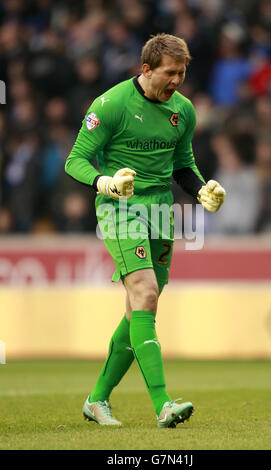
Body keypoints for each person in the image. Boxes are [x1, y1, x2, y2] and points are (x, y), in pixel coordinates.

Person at [65, 33, 226, 428]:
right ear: (146, 69)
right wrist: (105, 182)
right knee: (146, 292)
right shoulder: (112, 104)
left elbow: (183, 164)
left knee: (140, 307)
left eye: (182, 74)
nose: (176, 81)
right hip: (121, 208)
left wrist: (202, 189)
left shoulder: (183, 111)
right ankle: (163, 404)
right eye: (169, 73)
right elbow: (76, 160)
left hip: (161, 210)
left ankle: (96, 400)